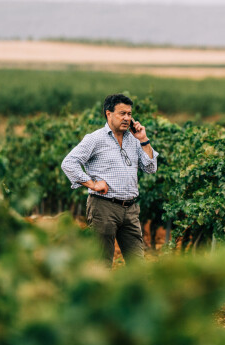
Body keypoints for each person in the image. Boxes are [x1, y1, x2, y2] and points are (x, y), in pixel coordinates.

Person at [61, 93, 158, 265]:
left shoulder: (134, 140)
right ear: (108, 113)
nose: (127, 118)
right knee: (102, 263)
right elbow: (69, 163)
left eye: (129, 114)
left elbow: (150, 168)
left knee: (138, 266)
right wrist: (92, 184)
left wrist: (143, 139)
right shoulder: (95, 139)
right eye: (122, 113)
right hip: (103, 207)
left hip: (130, 209)